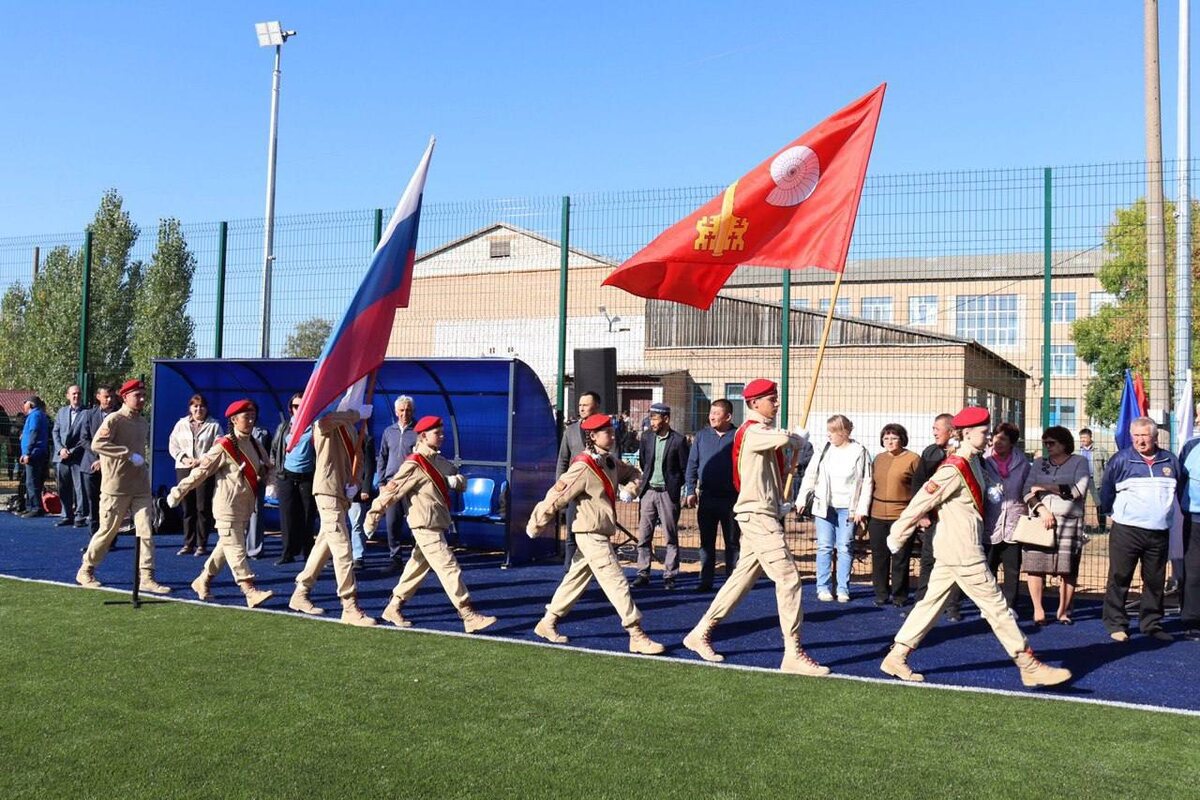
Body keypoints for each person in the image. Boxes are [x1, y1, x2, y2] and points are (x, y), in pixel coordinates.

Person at [878, 406, 1070, 687]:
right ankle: (1027, 663)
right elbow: (921, 501)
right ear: (966, 433)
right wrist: (898, 534)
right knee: (997, 606)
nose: (989, 436)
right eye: (983, 431)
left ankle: (897, 655)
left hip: (956, 548)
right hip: (963, 550)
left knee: (930, 604)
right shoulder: (954, 468)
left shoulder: (973, 462)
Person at [682, 379, 830, 677]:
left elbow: (775, 471)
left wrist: (779, 502)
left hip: (763, 513)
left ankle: (700, 632)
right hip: (757, 517)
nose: (776, 403)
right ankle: (793, 652)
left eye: (775, 398)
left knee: (740, 580)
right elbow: (781, 438)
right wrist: (795, 439)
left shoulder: (763, 436)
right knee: (789, 578)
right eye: (771, 399)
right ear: (753, 404)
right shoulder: (752, 431)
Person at [527, 413, 663, 653]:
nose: (612, 436)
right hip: (590, 532)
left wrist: (630, 489)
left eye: (612, 431)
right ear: (592, 436)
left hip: (599, 531)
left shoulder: (609, 461)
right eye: (607, 433)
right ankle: (636, 633)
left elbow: (634, 473)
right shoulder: (583, 466)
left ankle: (547, 622)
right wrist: (536, 523)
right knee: (616, 580)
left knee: (575, 579)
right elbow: (557, 495)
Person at [366, 415, 497, 633]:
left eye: (442, 432)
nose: (442, 436)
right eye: (437, 433)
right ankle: (467, 614)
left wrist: (453, 481)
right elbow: (392, 491)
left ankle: (393, 607)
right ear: (423, 436)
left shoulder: (437, 460)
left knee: (416, 568)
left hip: (436, 522)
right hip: (424, 524)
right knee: (449, 567)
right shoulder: (414, 464)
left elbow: (459, 479)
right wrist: (373, 514)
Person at [168, 399, 274, 608]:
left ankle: (203, 580)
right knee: (236, 548)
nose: (251, 421)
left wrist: (268, 479)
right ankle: (249, 589)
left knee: (224, 547)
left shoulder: (254, 443)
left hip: (245, 506)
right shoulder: (224, 446)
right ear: (234, 420)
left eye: (253, 416)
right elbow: (201, 471)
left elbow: (268, 467)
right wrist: (179, 491)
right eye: (246, 417)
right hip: (226, 506)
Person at [74, 380, 171, 594]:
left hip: (140, 486)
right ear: (125, 397)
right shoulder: (114, 419)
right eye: (137, 395)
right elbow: (97, 444)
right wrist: (127, 454)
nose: (142, 399)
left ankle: (146, 576)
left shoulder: (142, 421)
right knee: (107, 531)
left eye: (144, 394)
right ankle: (86, 569)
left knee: (146, 532)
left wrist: (141, 462)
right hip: (116, 487)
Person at [287, 404, 376, 625]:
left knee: (323, 546)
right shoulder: (326, 421)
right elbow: (324, 424)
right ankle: (349, 604)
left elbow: (358, 455)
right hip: (327, 490)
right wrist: (356, 414)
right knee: (343, 548)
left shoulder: (351, 428)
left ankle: (301, 592)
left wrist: (355, 482)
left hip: (342, 493)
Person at [1098, 416, 1185, 642]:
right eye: (1135, 436)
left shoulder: (1170, 461)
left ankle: (1152, 624)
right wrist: (1111, 513)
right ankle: (1116, 624)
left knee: (1155, 581)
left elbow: (1181, 489)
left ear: (1155, 437)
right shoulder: (1121, 460)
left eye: (1144, 435)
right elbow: (1106, 491)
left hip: (1159, 532)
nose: (1140, 440)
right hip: (1127, 531)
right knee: (1119, 577)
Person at [797, 414, 873, 603]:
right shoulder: (824, 449)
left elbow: (867, 482)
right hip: (825, 506)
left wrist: (862, 509)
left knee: (845, 546)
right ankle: (823, 587)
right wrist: (801, 498)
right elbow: (810, 475)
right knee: (824, 546)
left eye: (832, 431)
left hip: (848, 507)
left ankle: (843, 588)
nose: (828, 435)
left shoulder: (859, 451)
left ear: (843, 432)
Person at [1022, 426, 1091, 626]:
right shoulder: (1039, 463)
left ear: (1064, 443)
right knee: (1035, 566)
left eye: (1051, 443)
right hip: (1041, 521)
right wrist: (1041, 510)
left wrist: (1045, 487)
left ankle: (1063, 611)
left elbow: (1077, 490)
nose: (1047, 446)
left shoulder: (1080, 462)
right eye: (1045, 443)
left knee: (1067, 569)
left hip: (1069, 521)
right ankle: (1038, 610)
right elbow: (1027, 490)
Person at [684, 399, 740, 592]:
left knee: (732, 542)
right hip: (707, 497)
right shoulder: (701, 436)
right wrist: (690, 490)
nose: (712, 417)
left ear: (728, 416)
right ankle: (705, 580)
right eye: (711, 413)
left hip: (732, 499)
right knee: (706, 542)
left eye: (717, 413)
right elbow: (692, 464)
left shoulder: (738, 436)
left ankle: (733, 582)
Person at [912, 413, 963, 620]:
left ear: (951, 431)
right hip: (933, 518)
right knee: (928, 559)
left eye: (937, 428)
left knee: (955, 561)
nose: (933, 432)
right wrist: (922, 513)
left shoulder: (965, 453)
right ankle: (921, 603)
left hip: (957, 519)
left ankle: (952, 606)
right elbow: (918, 484)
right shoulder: (930, 452)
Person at [633, 402, 689, 590]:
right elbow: (644, 462)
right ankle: (643, 573)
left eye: (655, 418)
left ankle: (670, 575)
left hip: (667, 494)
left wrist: (674, 485)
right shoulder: (646, 437)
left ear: (666, 419)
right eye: (651, 417)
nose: (651, 422)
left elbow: (684, 468)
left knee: (670, 536)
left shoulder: (678, 441)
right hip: (648, 492)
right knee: (644, 535)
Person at [867, 423, 920, 607]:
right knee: (879, 557)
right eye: (886, 438)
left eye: (894, 438)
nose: (890, 441)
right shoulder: (878, 459)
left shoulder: (913, 459)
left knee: (900, 557)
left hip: (901, 515)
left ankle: (899, 596)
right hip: (877, 515)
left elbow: (919, 487)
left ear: (902, 439)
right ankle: (881, 593)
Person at [981, 422, 1030, 613]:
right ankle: (989, 605)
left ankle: (1010, 606)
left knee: (1012, 568)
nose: (998, 442)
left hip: (1013, 521)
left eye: (1003, 439)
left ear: (1012, 443)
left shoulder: (1023, 464)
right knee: (988, 567)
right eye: (996, 437)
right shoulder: (983, 460)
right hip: (990, 521)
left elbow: (1027, 489)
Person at [167, 393, 221, 556]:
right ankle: (188, 543)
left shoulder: (214, 425)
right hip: (184, 467)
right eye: (195, 406)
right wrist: (184, 458)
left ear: (206, 408)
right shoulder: (181, 424)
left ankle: (202, 544)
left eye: (202, 406)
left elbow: (218, 446)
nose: (199, 409)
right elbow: (173, 444)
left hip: (204, 469)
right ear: (190, 408)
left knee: (202, 507)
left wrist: (202, 460)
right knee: (187, 507)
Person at [555, 391, 602, 567]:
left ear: (596, 406)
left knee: (595, 533)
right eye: (580, 405)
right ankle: (568, 570)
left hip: (596, 493)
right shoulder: (571, 431)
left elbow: (613, 459)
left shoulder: (605, 430)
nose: (581, 408)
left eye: (585, 405)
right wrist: (560, 484)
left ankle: (596, 569)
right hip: (574, 491)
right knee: (571, 534)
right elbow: (563, 459)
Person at [272, 393, 317, 564]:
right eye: (295, 406)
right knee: (287, 515)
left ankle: (308, 552)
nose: (299, 409)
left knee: (307, 515)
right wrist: (276, 472)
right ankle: (287, 552)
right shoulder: (284, 427)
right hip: (287, 476)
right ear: (291, 409)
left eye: (302, 405)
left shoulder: (315, 427)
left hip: (308, 476)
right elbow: (275, 448)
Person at [376, 395, 418, 572]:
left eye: (408, 410)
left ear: (412, 411)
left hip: (412, 485)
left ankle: (418, 558)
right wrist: (381, 483)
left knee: (416, 522)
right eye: (401, 410)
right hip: (392, 484)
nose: (404, 413)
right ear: (395, 411)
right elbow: (382, 457)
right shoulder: (388, 432)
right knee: (392, 523)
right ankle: (395, 558)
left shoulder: (419, 432)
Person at [79, 386, 117, 535]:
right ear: (98, 397)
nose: (110, 399)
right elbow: (84, 439)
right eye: (106, 396)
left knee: (112, 504)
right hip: (90, 465)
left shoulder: (120, 416)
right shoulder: (89, 415)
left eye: (112, 396)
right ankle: (94, 539)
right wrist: (98, 455)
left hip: (112, 467)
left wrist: (105, 459)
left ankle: (110, 538)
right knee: (93, 503)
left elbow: (121, 441)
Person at [51, 384, 89, 527]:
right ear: (68, 396)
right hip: (61, 457)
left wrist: (71, 451)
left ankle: (80, 516)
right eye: (73, 394)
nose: (76, 396)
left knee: (80, 488)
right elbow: (55, 432)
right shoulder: (61, 412)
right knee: (63, 487)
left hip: (78, 457)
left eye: (78, 393)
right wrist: (61, 449)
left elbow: (86, 436)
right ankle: (66, 515)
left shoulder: (87, 413)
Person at [1179, 427, 1200, 640]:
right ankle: (1192, 620)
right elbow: (1180, 480)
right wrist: (1186, 507)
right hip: (1195, 518)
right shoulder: (1191, 446)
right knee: (1193, 571)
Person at [348, 426, 376, 570]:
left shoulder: (365, 439)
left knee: (356, 524)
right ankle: (343, 557)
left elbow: (369, 466)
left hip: (357, 490)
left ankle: (358, 556)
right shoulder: (337, 438)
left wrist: (365, 489)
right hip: (339, 488)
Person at [18, 396, 50, 518]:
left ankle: (36, 507)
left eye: (25, 403)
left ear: (31, 404)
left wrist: (27, 452)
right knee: (30, 481)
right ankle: (30, 506)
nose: (23, 406)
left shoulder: (35, 415)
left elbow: (34, 432)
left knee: (32, 482)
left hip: (34, 453)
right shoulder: (37, 415)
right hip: (35, 452)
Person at [244, 422, 272, 559]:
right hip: (238, 481)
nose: (249, 419)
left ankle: (254, 549)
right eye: (246, 416)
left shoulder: (263, 434)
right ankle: (238, 548)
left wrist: (263, 473)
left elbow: (268, 458)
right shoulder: (229, 439)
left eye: (252, 415)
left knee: (255, 513)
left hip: (257, 480)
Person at [1079, 428, 1109, 532]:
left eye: (1085, 437)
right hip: (1081, 481)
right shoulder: (1077, 451)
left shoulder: (1100, 450)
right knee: (1079, 504)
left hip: (1096, 480)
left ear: (1090, 437)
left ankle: (1102, 527)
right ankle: (1081, 527)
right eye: (1081, 438)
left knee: (1099, 504)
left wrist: (1106, 481)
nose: (1083, 440)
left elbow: (1107, 467)